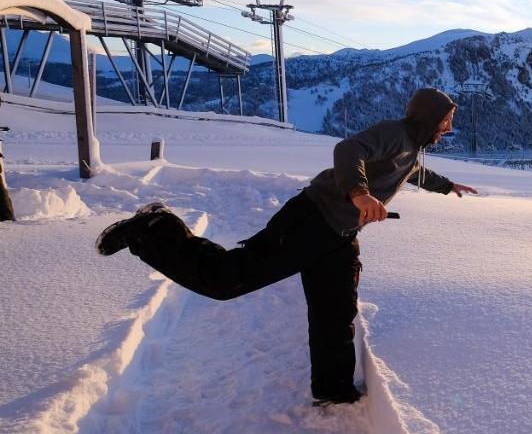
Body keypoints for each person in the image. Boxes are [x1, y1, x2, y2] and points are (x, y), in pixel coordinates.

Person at [96, 88, 478, 405]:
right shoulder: (394, 133)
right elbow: (349, 150)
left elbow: (413, 170)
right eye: (446, 120)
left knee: (336, 311)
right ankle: (154, 228)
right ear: (428, 118)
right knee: (228, 278)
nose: (449, 127)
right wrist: (360, 193)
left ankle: (333, 390)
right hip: (311, 220)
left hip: (339, 237)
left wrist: (447, 186)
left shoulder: (411, 147)